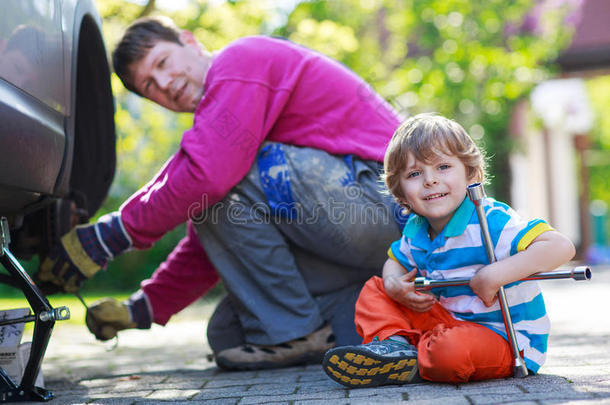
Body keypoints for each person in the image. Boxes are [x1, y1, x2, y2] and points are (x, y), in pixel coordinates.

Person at [35, 16, 407, 370]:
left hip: (390, 204)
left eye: (163, 62)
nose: (163, 82)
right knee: (230, 333)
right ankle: (394, 327)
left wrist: (111, 235)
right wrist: (141, 308)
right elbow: (222, 241)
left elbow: (210, 178)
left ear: (191, 41)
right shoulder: (224, 137)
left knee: (212, 184)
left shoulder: (240, 60)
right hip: (355, 240)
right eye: (149, 85)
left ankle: (300, 332)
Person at [322, 113, 576, 388]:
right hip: (446, 323)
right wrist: (395, 284)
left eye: (443, 167)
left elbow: (561, 247)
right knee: (377, 289)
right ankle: (396, 348)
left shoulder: (491, 219)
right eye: (415, 174)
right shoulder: (416, 229)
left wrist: (497, 274)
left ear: (469, 173)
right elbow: (395, 261)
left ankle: (415, 358)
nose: (430, 180)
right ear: (401, 191)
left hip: (504, 338)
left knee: (449, 352)